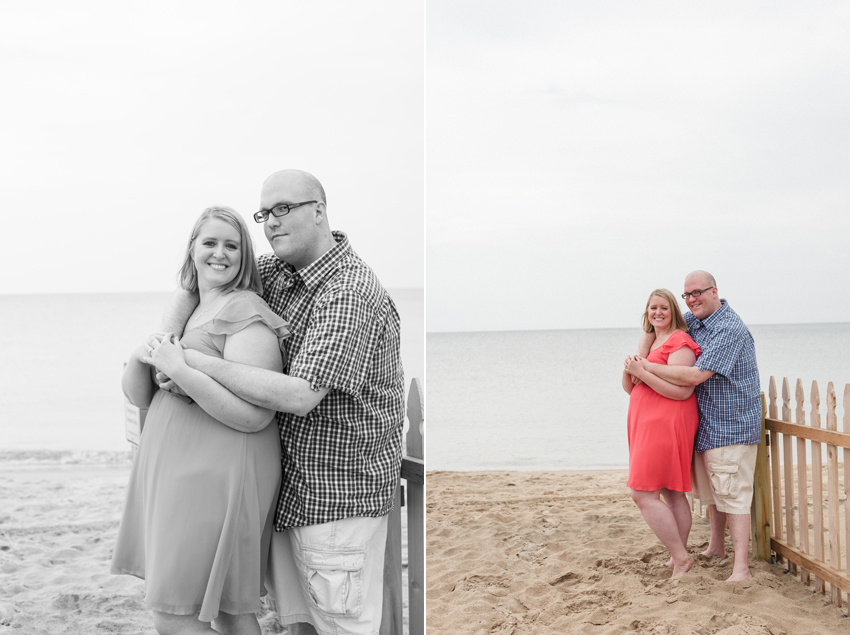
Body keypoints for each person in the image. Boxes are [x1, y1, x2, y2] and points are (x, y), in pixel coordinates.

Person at [155, 169, 405, 635]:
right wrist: (165, 341)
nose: (271, 222)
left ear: (319, 211)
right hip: (287, 493)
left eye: (284, 209)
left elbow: (302, 394)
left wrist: (189, 363)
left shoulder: (348, 292)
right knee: (297, 626)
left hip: (336, 497)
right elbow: (200, 281)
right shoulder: (277, 272)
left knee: (339, 624)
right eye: (265, 213)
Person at [111, 206, 291, 635]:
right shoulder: (189, 306)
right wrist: (144, 353)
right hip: (179, 470)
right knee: (230, 610)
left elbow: (256, 416)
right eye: (210, 242)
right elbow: (140, 395)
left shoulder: (245, 311)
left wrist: (183, 370)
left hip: (219, 473)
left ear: (245, 256)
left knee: (175, 617)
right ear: (192, 249)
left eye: (232, 245)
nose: (220, 253)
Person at [625, 271, 761, 581]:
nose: (692, 299)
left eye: (698, 292)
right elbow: (658, 322)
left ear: (715, 291)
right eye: (687, 295)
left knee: (733, 494)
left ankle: (741, 568)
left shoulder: (728, 328)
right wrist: (643, 348)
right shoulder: (697, 319)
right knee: (714, 492)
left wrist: (644, 366)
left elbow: (695, 377)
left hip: (732, 423)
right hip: (707, 424)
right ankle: (716, 547)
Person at [621, 289, 701, 577]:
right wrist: (634, 363)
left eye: (664, 308)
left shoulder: (680, 341)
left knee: (641, 493)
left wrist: (642, 372)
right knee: (671, 491)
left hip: (667, 422)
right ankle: (676, 554)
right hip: (646, 422)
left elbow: (682, 392)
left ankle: (681, 558)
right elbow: (630, 386)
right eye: (653, 308)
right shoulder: (654, 340)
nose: (658, 312)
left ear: (674, 312)